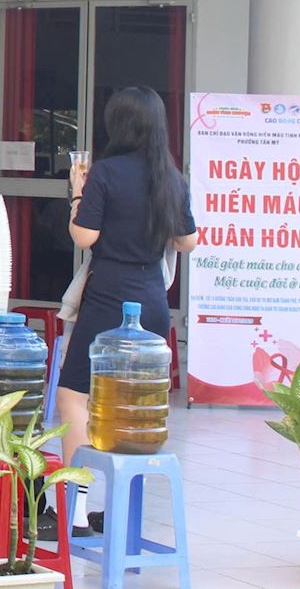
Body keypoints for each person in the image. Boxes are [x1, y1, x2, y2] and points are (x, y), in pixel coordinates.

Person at [55, 85, 197, 536]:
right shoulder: (170, 176)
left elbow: (85, 237)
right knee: (131, 402)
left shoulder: (106, 172)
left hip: (108, 294)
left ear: (117, 124)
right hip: (152, 298)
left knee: (75, 395)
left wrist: (78, 195)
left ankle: (77, 509)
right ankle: (121, 510)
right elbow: (188, 241)